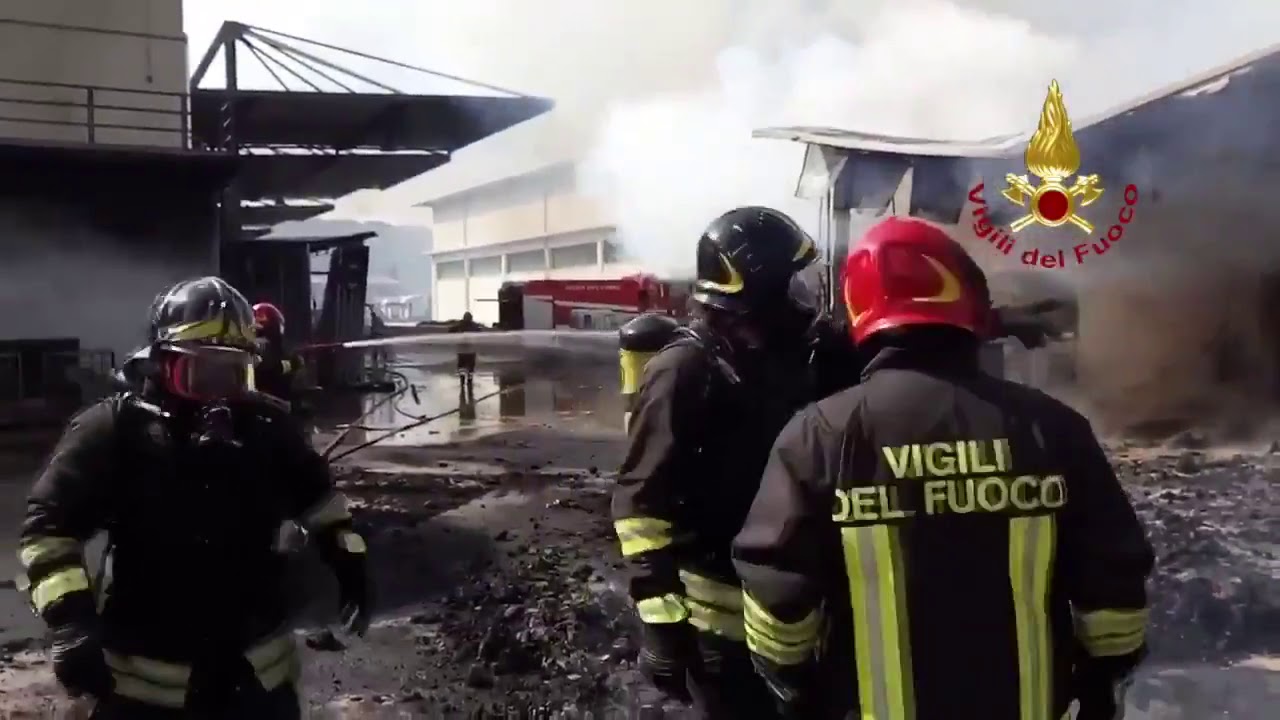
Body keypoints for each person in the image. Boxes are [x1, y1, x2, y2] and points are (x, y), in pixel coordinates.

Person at [731, 217, 1154, 720]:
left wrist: (796, 687)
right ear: (968, 299)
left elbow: (777, 595)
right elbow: (1113, 582)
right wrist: (1103, 684)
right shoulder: (1054, 429)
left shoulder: (818, 435)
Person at [17, 276, 374, 719]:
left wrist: (348, 558)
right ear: (161, 365)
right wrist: (71, 623)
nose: (218, 395)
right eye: (201, 374)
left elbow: (321, 501)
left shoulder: (267, 430)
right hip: (146, 692)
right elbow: (48, 531)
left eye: (233, 373)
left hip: (258, 684)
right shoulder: (114, 433)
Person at [613, 206, 825, 719]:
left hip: (798, 622)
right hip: (720, 635)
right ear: (755, 295)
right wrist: (662, 628)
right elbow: (641, 508)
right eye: (791, 284)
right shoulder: (685, 371)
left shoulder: (796, 358)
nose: (804, 297)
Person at [252, 302, 304, 406]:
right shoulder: (266, 348)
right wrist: (294, 363)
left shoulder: (247, 345)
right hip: (266, 404)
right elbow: (274, 369)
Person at [448, 311, 483, 399]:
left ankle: (463, 382)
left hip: (462, 350)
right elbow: (480, 332)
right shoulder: (474, 326)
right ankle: (469, 382)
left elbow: (450, 330)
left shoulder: (460, 325)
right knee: (470, 367)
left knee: (462, 367)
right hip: (470, 350)